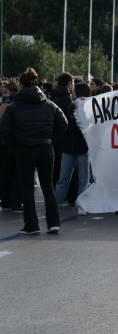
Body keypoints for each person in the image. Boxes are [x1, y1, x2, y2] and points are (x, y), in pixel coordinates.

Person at [0, 68, 68, 235]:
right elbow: (63, 123)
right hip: (45, 147)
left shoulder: (14, 106)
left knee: (27, 187)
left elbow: (4, 128)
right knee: (48, 186)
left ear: (21, 85)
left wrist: (15, 143)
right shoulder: (49, 104)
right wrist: (51, 138)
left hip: (24, 149)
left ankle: (31, 225)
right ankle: (53, 223)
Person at [54, 83, 91, 216]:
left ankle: (81, 204)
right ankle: (56, 204)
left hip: (81, 149)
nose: (72, 93)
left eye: (74, 91)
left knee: (82, 179)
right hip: (70, 148)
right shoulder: (70, 107)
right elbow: (65, 126)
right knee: (64, 178)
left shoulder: (89, 108)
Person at [0, 80, 22, 213]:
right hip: (9, 143)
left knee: (7, 173)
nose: (4, 94)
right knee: (13, 173)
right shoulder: (8, 105)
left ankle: (8, 201)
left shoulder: (8, 104)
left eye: (6, 92)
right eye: (3, 92)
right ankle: (12, 202)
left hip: (7, 142)